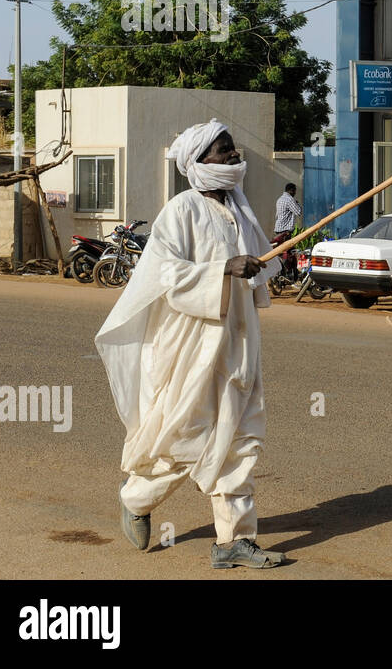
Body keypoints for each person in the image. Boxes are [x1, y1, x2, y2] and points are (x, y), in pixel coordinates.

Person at [94, 119, 287, 569]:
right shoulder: (180, 210)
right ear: (199, 162)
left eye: (233, 148)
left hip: (239, 340)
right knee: (186, 436)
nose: (234, 155)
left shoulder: (239, 208)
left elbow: (256, 271)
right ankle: (137, 498)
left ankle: (234, 540)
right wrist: (223, 268)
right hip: (192, 345)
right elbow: (164, 274)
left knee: (241, 436)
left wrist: (253, 266)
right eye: (224, 150)